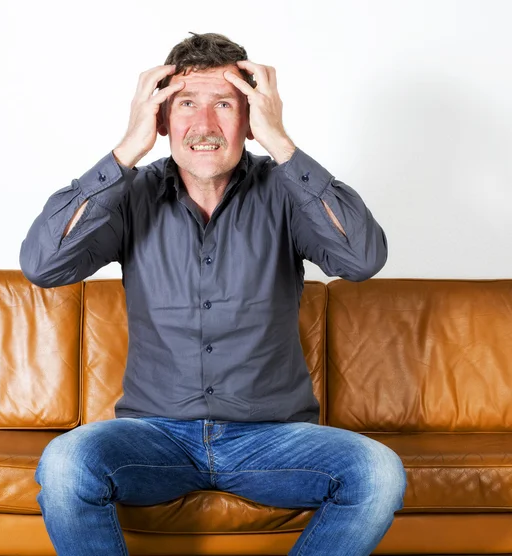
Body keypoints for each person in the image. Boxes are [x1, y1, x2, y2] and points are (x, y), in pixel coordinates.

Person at [20, 32, 406, 556]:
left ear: (249, 118)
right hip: (153, 439)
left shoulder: (286, 191)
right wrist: (126, 149)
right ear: (161, 119)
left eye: (224, 104)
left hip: (270, 439)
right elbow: (44, 265)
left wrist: (283, 143)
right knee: (66, 464)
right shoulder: (130, 195)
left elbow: (362, 259)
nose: (204, 126)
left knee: (378, 473)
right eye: (185, 104)